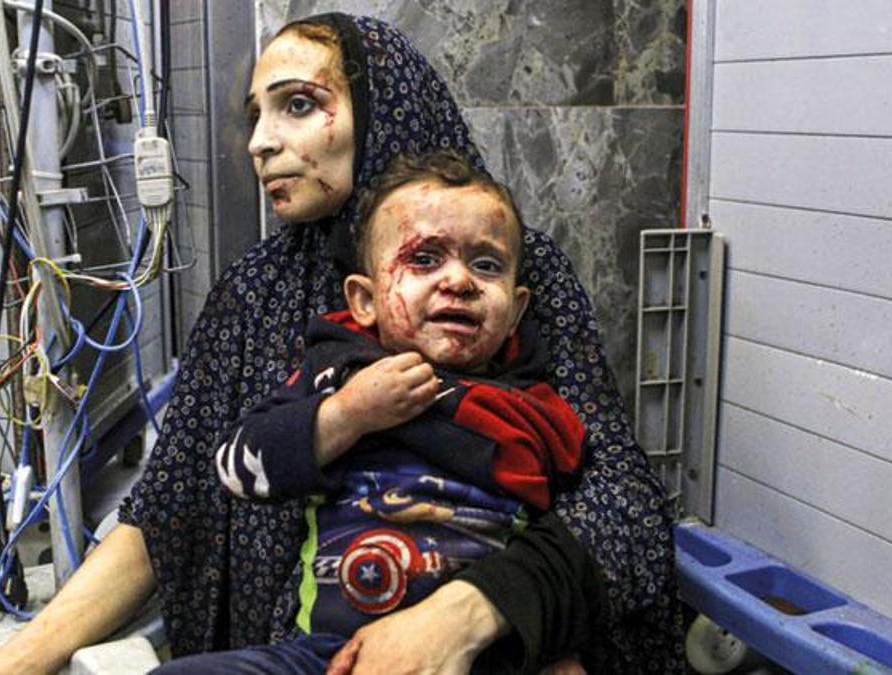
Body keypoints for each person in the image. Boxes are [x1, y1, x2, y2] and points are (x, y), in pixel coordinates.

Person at [0, 13, 682, 675]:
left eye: (298, 105)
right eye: (255, 115)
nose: (260, 142)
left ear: (384, 112)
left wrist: (465, 614)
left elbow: (620, 502)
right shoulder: (254, 291)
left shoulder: (516, 276)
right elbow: (170, 507)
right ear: (360, 298)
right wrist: (18, 661)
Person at [159, 151, 587, 672]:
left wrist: (553, 642)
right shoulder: (338, 373)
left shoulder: (532, 409)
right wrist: (346, 415)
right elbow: (236, 468)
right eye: (424, 259)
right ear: (364, 301)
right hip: (324, 655)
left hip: (479, 658)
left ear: (516, 311)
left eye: (486, 265)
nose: (460, 280)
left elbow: (577, 534)